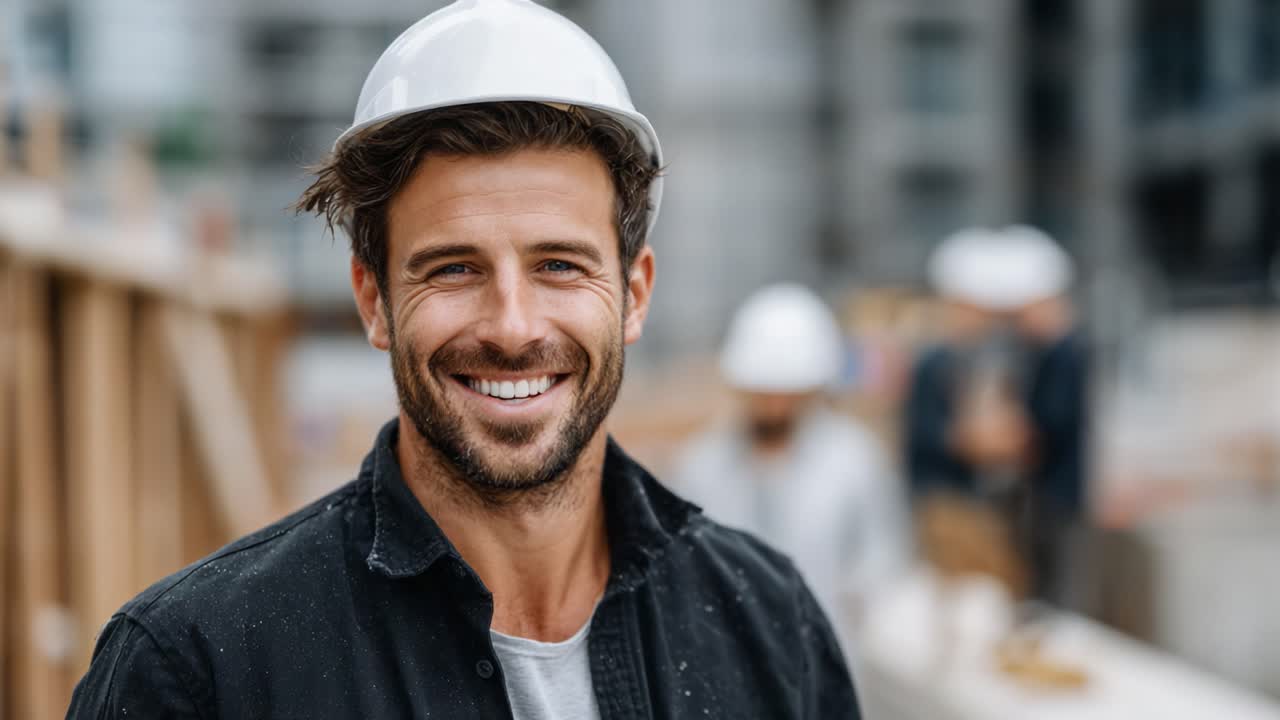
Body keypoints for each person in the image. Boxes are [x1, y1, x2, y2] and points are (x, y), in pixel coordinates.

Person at [67, 1, 859, 718]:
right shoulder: (199, 671)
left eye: (559, 265)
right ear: (374, 300)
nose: (513, 328)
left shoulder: (769, 626)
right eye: (452, 268)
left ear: (636, 294)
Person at [673, 284, 910, 652]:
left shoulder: (855, 462)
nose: (775, 405)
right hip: (729, 663)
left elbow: (882, 567)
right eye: (763, 391)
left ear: (815, 387)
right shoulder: (703, 466)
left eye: (787, 392)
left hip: (827, 665)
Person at [905, 225, 1087, 602]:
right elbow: (933, 435)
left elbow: (1042, 428)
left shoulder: (1057, 355)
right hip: (949, 505)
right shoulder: (937, 361)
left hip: (1037, 502)